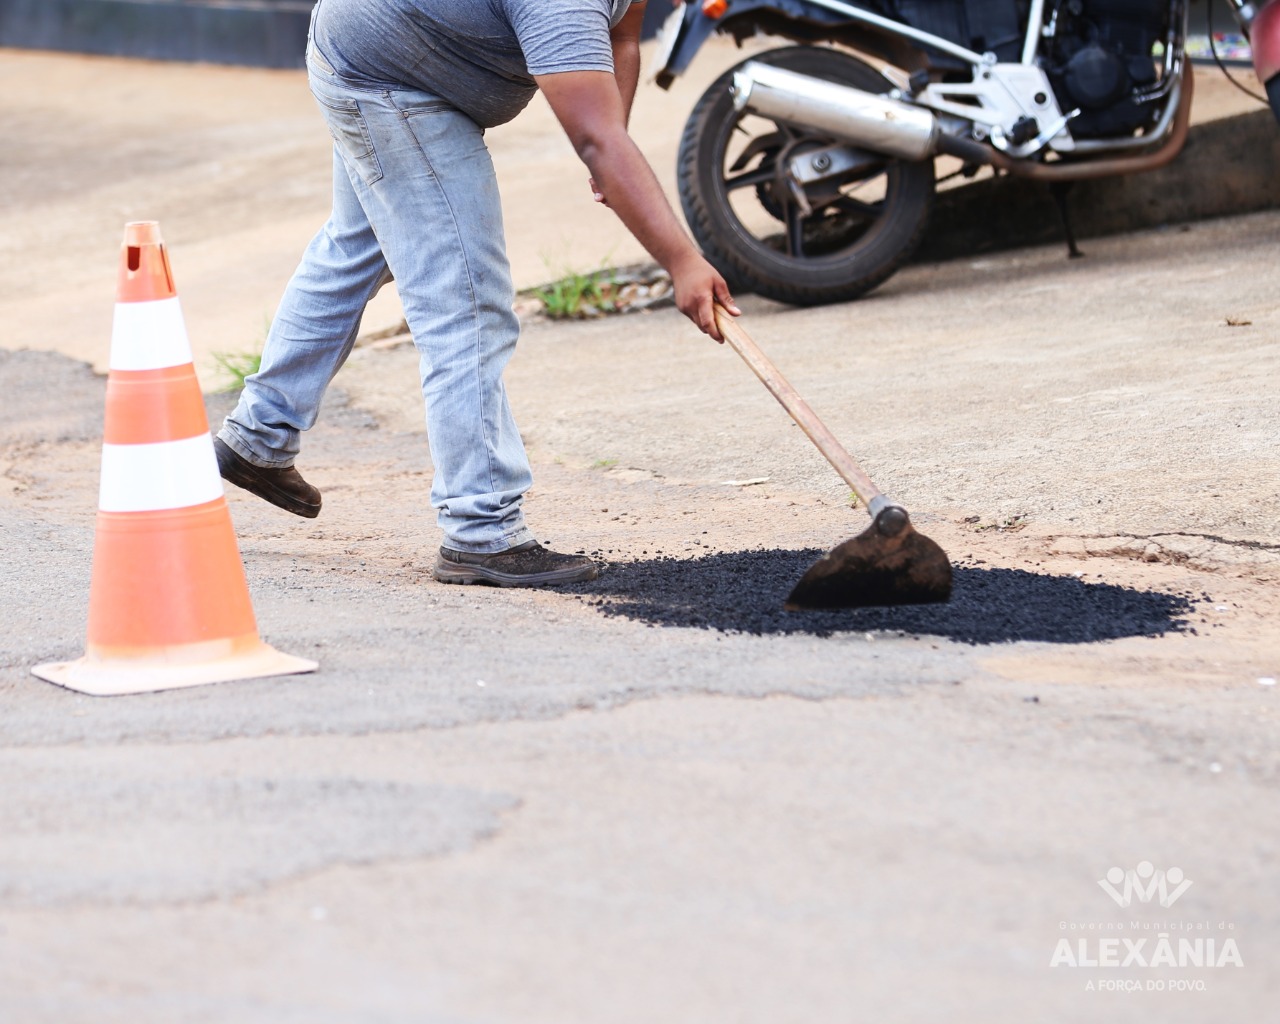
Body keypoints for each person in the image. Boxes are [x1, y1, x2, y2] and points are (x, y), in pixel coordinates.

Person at [214, 0, 738, 588]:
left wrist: (613, 143)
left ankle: (258, 436)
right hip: (388, 79)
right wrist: (682, 260)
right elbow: (594, 136)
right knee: (465, 298)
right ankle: (482, 528)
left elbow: (623, 38)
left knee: (358, 247)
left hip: (368, 48)